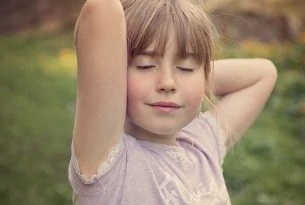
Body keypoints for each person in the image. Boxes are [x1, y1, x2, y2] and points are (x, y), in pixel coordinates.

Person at [68, 0, 277, 204]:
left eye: (186, 67)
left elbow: (265, 73)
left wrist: (195, 80)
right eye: (145, 66)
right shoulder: (107, 165)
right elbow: (101, 8)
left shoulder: (201, 145)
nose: (167, 83)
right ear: (116, 77)